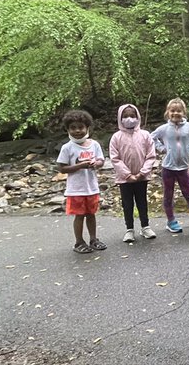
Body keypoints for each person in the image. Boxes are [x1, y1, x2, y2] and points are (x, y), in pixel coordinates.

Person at [151, 98, 189, 233]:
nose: (175, 113)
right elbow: (151, 138)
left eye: (179, 111)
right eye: (172, 110)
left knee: (188, 193)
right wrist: (161, 148)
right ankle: (171, 221)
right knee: (168, 195)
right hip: (168, 168)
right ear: (168, 112)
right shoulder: (164, 129)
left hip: (183, 167)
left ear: (184, 112)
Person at [57, 109, 106, 254]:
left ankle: (93, 239)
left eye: (80, 127)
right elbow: (62, 168)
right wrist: (80, 165)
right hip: (76, 189)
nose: (77, 131)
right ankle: (79, 242)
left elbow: (101, 161)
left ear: (87, 128)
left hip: (91, 187)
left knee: (91, 214)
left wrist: (96, 164)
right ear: (67, 129)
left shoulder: (94, 145)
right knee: (79, 215)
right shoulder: (67, 148)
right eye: (73, 128)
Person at [109, 103, 157, 244]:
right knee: (127, 204)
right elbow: (115, 158)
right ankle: (129, 229)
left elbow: (151, 155)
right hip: (125, 180)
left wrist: (142, 173)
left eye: (132, 115)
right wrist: (127, 175)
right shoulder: (116, 137)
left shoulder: (145, 135)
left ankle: (145, 226)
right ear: (120, 118)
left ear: (137, 117)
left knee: (142, 202)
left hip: (142, 178)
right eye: (125, 116)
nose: (129, 118)